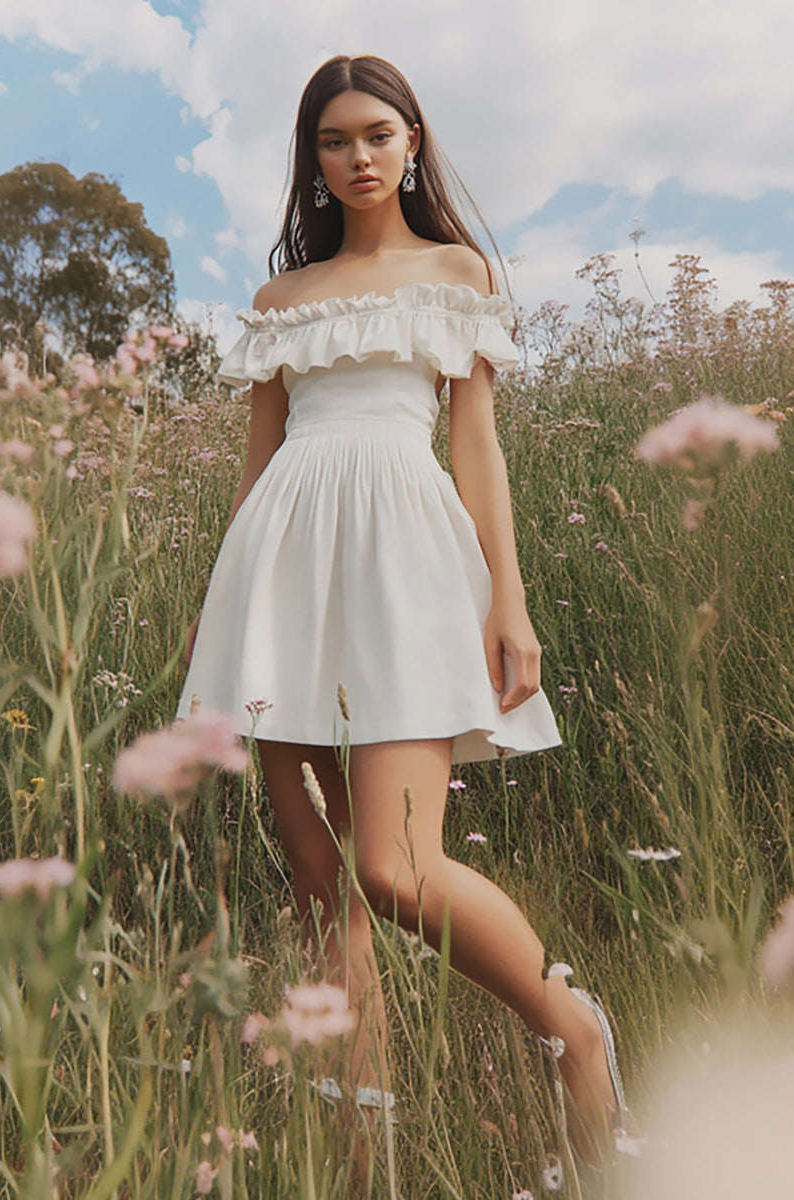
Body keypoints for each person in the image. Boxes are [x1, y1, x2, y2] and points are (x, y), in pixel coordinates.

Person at [177, 53, 629, 1166]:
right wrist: (216, 608)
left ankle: (573, 1027)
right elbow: (258, 456)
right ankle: (358, 1146)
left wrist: (507, 604)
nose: (357, 156)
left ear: (413, 139)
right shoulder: (280, 300)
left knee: (395, 865)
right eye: (334, 141)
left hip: (404, 556)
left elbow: (476, 446)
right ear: (313, 162)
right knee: (321, 882)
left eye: (376, 133)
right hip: (276, 561)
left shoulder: (456, 269)